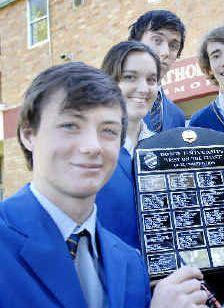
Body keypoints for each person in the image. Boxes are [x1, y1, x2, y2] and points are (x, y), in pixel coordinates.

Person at [0, 62, 208, 307]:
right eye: (70, 125)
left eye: (108, 130)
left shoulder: (130, 262)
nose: (92, 146)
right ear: (28, 134)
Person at [97, 40, 159, 249]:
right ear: (109, 82)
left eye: (151, 80)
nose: (143, 89)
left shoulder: (163, 149)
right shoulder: (90, 153)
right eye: (130, 77)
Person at [129, 10, 186, 131]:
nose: (165, 52)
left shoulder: (178, 117)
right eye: (157, 40)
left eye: (173, 46)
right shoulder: (109, 101)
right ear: (135, 43)